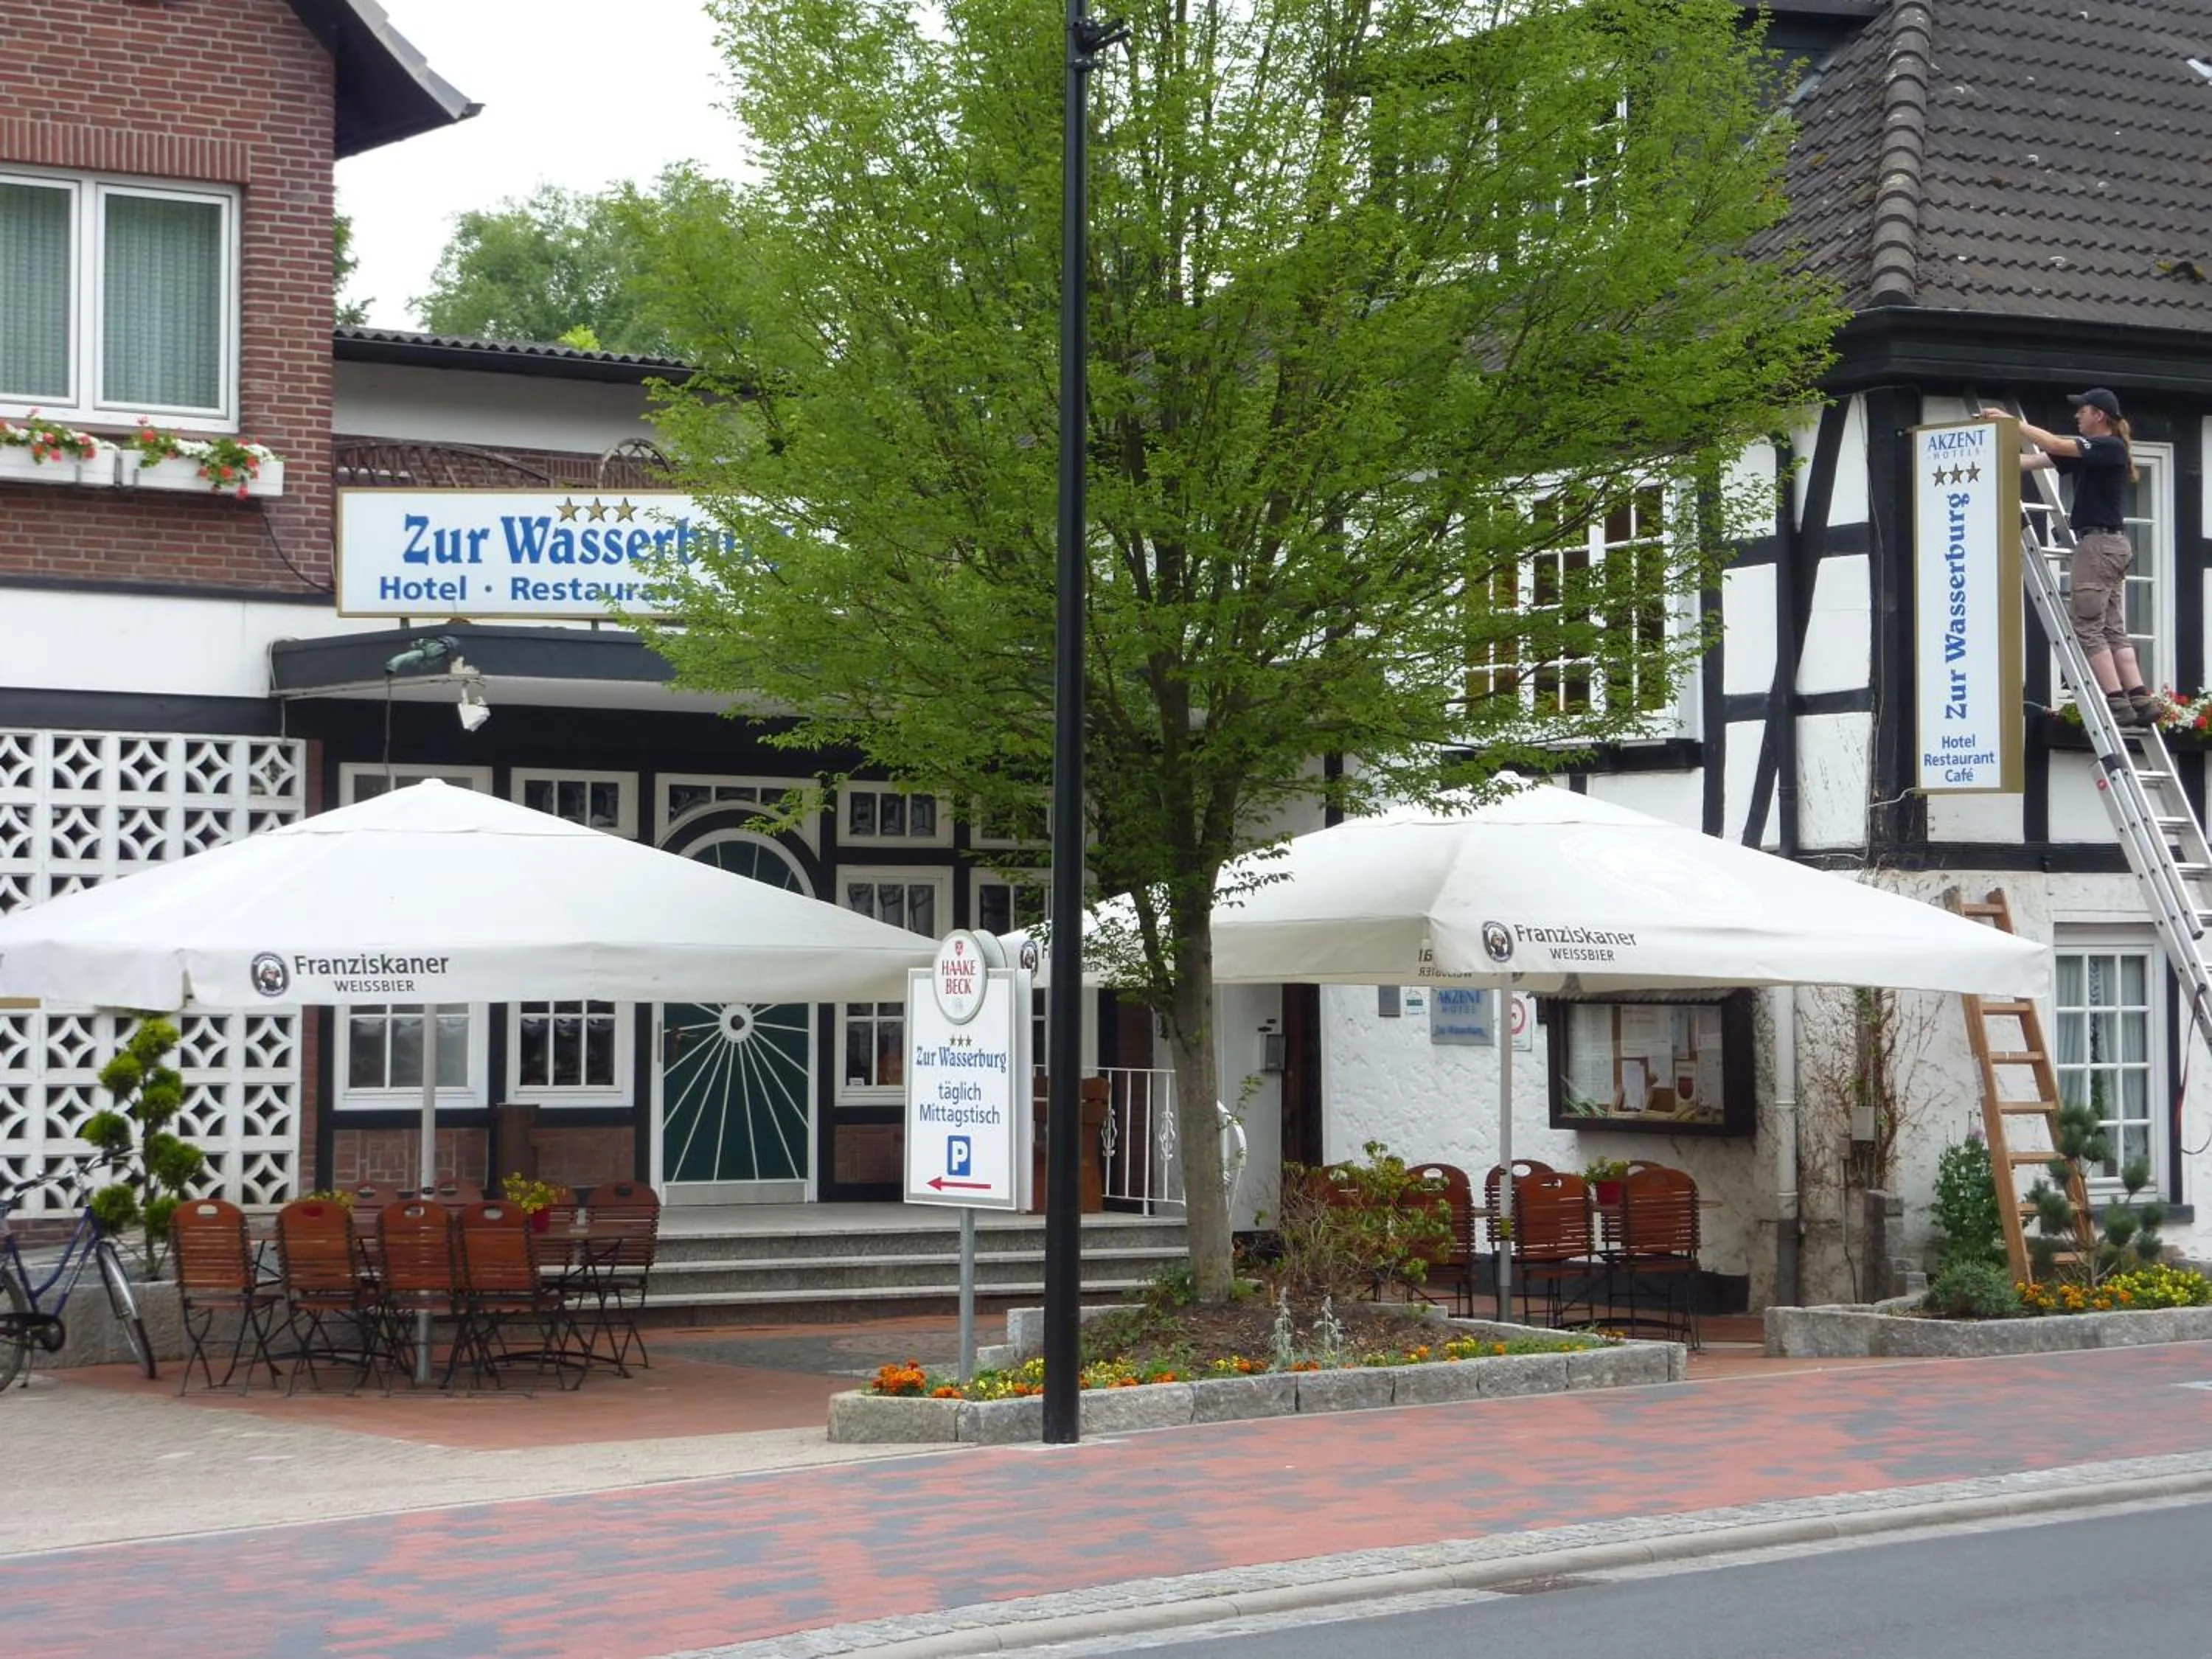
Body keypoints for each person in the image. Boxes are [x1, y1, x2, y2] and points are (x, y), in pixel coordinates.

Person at [1980, 389, 2166, 726]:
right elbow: (2032, 462)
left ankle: (2116, 702)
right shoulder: (2092, 453)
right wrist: (1982, 451)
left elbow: (2054, 445)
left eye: (2082, 411)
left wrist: (2013, 424)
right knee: (2112, 628)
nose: (2077, 416)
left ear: (2099, 415)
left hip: (2097, 545)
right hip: (2111, 546)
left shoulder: (2108, 447)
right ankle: (2140, 698)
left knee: (2087, 627)